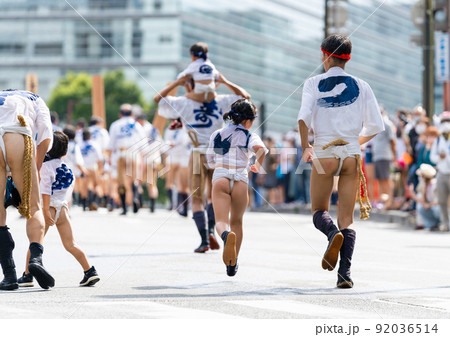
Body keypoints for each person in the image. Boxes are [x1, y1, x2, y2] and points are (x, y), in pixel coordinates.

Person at [298, 34, 384, 288]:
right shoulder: (362, 85)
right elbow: (376, 126)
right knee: (347, 217)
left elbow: (303, 118)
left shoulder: (313, 83)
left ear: (324, 55)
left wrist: (305, 147)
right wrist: (355, 141)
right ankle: (344, 274)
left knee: (319, 211)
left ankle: (331, 233)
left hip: (324, 150)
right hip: (351, 153)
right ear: (348, 57)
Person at [154, 73, 249, 253]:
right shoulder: (221, 101)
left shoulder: (184, 103)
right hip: (218, 153)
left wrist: (177, 82)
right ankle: (214, 231)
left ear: (190, 86)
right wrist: (226, 81)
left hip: (197, 153)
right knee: (213, 196)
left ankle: (204, 239)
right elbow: (245, 98)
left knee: (196, 198)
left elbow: (159, 100)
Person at [18, 132, 100, 287]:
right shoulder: (67, 168)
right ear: (65, 152)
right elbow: (67, 192)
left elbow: (46, 191)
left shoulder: (45, 168)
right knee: (71, 244)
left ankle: (27, 276)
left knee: (35, 242)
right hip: (62, 209)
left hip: (48, 209)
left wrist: (44, 210)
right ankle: (89, 271)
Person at [0, 89, 55, 291]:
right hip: (18, 134)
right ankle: (36, 260)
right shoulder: (36, 98)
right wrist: (37, 166)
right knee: (34, 207)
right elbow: (46, 138)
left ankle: (9, 275)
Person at [207, 99, 267, 276]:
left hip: (221, 177)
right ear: (248, 121)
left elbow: (210, 161)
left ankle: (225, 236)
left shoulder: (217, 134)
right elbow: (261, 150)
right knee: (237, 222)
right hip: (240, 178)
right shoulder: (249, 135)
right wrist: (257, 165)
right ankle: (232, 263)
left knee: (221, 221)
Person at [106, 104, 147, 215]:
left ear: (120, 114)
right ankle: (135, 199)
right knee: (134, 179)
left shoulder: (115, 125)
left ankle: (124, 207)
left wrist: (109, 158)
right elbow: (144, 144)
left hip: (121, 153)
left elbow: (110, 145)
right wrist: (142, 158)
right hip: (134, 153)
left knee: (121, 182)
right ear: (131, 114)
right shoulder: (137, 125)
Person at [163, 119, 191, 215]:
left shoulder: (183, 129)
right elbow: (166, 143)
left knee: (181, 183)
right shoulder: (172, 129)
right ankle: (174, 204)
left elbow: (185, 142)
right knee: (171, 182)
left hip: (181, 157)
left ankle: (180, 206)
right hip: (174, 157)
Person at [371, 107, 397, 209]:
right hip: (377, 156)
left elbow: (393, 141)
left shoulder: (387, 124)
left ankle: (389, 202)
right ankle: (383, 201)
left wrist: (394, 156)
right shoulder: (376, 125)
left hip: (385, 156)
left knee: (386, 179)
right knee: (380, 179)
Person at [430, 111, 450, 231]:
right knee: (442, 200)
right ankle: (444, 222)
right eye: (444, 122)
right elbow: (433, 157)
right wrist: (439, 158)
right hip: (442, 173)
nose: (446, 124)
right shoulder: (438, 140)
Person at [411, 164, 440, 230]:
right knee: (421, 207)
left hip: (436, 207)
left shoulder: (435, 185)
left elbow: (439, 201)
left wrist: (429, 205)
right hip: (431, 206)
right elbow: (423, 201)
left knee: (437, 209)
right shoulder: (424, 185)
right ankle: (431, 224)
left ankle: (441, 223)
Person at [80, 129, 103, 211]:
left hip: (84, 167)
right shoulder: (94, 145)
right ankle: (93, 202)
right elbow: (100, 159)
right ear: (90, 136)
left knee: (84, 186)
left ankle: (83, 205)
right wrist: (100, 169)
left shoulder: (80, 145)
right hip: (93, 166)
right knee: (96, 185)